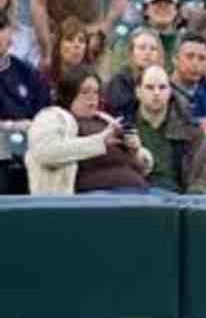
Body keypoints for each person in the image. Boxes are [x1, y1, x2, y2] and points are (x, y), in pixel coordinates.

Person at [25, 66, 150, 195]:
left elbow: (142, 166)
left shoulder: (105, 119)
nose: (92, 97)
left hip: (139, 190)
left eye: (96, 92)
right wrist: (100, 142)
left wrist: (135, 151)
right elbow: (45, 152)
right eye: (85, 92)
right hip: (92, 199)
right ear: (69, 94)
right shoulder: (52, 116)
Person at [132, 65, 206, 194]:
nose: (156, 92)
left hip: (178, 202)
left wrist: (189, 204)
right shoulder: (125, 129)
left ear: (170, 91)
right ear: (138, 92)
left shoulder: (192, 131)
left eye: (162, 87)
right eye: (150, 87)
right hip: (136, 200)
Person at [0, 11, 51, 194]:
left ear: (10, 34)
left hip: (30, 146)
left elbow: (45, 110)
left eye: (1, 29)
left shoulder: (26, 72)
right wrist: (10, 126)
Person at [110, 0, 181, 76]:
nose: (163, 8)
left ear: (176, 10)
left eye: (168, 3)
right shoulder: (128, 40)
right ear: (146, 9)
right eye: (157, 3)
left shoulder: (184, 42)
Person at [106, 27, 166, 121]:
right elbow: (122, 117)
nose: (148, 52)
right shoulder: (120, 81)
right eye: (142, 48)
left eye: (153, 49)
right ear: (131, 52)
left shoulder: (165, 80)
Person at [170, 31, 206, 109]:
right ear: (175, 59)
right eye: (190, 56)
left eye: (202, 58)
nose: (195, 63)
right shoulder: (160, 91)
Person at [49, 16, 88, 87]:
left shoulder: (90, 81)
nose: (77, 45)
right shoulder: (44, 79)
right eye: (69, 39)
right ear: (58, 44)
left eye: (81, 40)